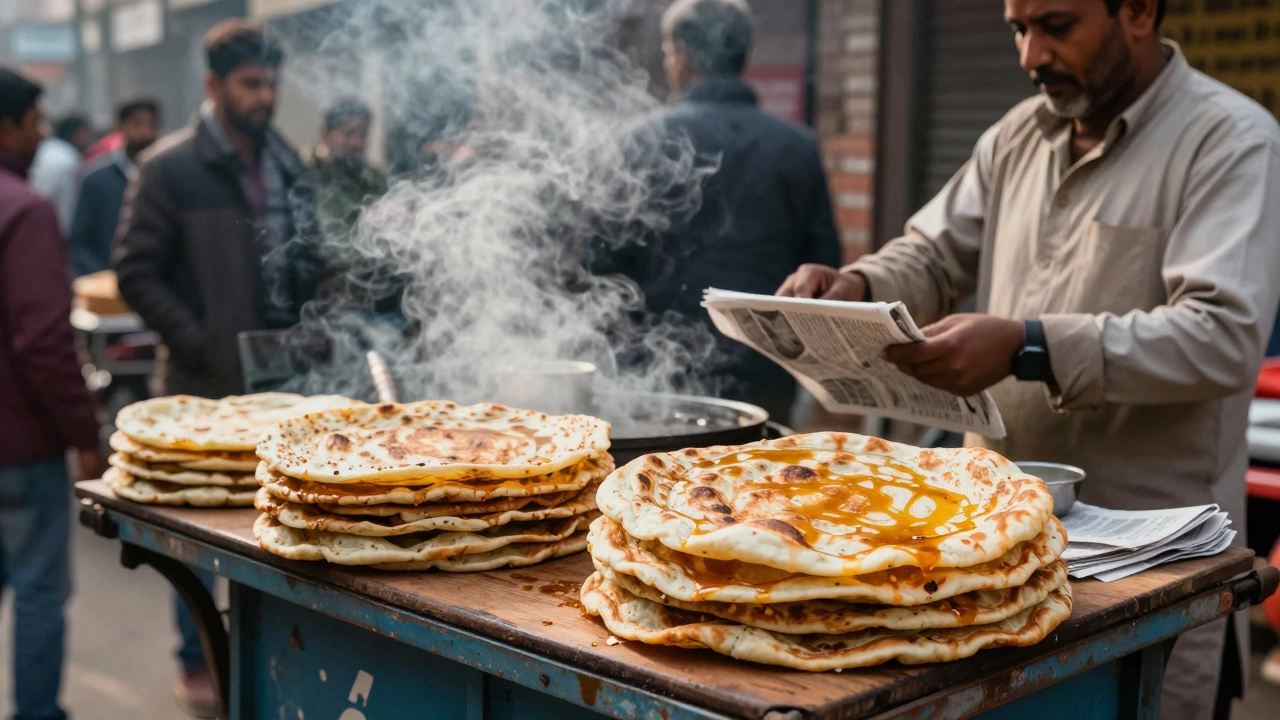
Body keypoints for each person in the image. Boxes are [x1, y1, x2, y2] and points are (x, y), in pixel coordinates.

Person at [777, 1, 1280, 717]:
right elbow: (933, 252)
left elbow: (1221, 336)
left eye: (1056, 26)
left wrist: (1028, 345)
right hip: (996, 557)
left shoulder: (1230, 140)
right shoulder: (1019, 133)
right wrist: (859, 284)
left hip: (1148, 576)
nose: (1029, 55)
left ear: (1137, 11)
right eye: (1018, 29)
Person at [114, 20, 316, 717]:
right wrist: (199, 339)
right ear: (213, 86)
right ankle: (195, 654)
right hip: (203, 389)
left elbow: (310, 261)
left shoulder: (288, 162)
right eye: (250, 84)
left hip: (282, 388)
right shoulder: (169, 167)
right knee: (197, 534)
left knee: (271, 526)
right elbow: (136, 271)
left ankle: (257, 653)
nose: (265, 98)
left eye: (271, 84)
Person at [596, 0, 840, 424]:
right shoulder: (795, 146)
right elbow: (824, 267)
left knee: (654, 486)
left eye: (670, 53)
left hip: (658, 373)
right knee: (757, 484)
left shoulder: (639, 140)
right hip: (765, 373)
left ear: (683, 55)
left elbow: (603, 267)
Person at [0, 68, 102, 720]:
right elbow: (43, 340)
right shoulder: (24, 208)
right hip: (20, 444)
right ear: (6, 127)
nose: (41, 135)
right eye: (34, 121)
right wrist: (85, 436)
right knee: (39, 588)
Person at [68, 98, 160, 277]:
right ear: (120, 127)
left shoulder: (167, 175)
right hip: (108, 285)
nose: (145, 132)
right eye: (137, 124)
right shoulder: (96, 179)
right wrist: (103, 276)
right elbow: (79, 242)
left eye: (152, 125)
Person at [308, 98, 387, 247]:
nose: (355, 142)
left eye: (362, 134)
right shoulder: (310, 180)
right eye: (348, 133)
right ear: (325, 134)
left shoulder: (376, 181)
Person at [29, 114, 92, 235]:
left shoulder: (47, 150)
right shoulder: (68, 158)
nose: (89, 139)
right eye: (87, 133)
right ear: (77, 133)